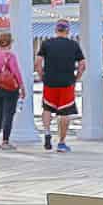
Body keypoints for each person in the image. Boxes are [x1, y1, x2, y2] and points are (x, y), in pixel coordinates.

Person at [36, 19, 86, 152]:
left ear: (56, 30)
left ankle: (47, 132)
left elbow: (38, 63)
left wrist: (42, 76)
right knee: (65, 112)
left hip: (50, 81)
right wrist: (77, 78)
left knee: (47, 108)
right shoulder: (73, 45)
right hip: (67, 82)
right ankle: (62, 143)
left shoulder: (46, 44)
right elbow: (82, 65)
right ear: (67, 30)